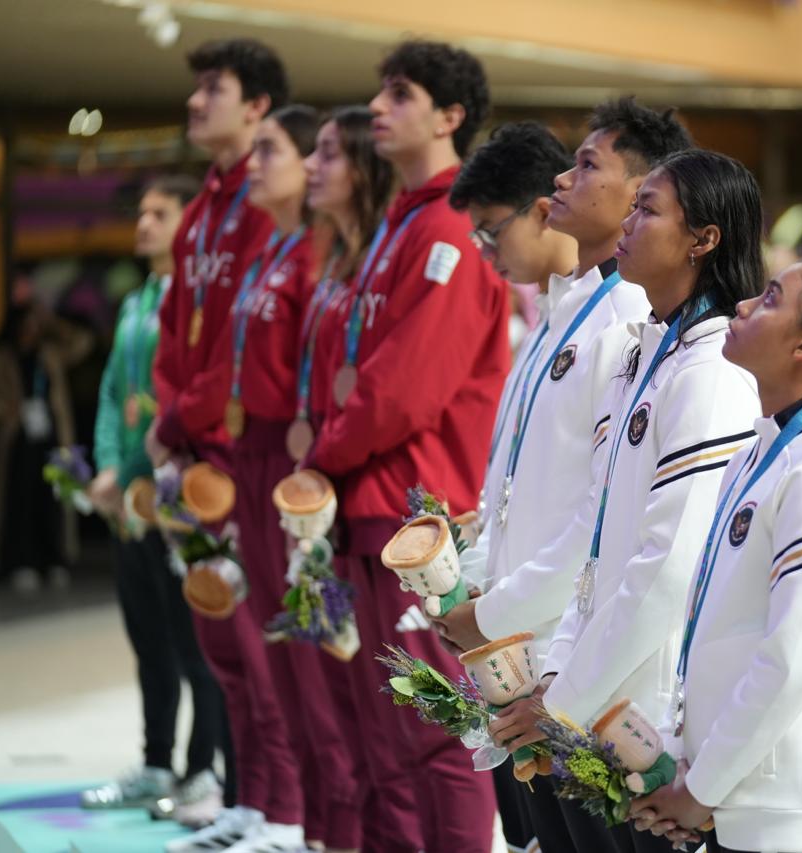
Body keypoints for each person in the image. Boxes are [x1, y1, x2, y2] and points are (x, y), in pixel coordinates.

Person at [489, 149, 763, 853]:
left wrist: (566, 695)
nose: (629, 224)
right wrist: (560, 677)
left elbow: (665, 570)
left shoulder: (711, 375)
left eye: (649, 210)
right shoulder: (643, 355)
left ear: (703, 240)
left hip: (643, 712)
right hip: (590, 690)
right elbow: (597, 539)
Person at [431, 101, 689, 851]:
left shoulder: (624, 321)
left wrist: (501, 610)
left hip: (577, 658)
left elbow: (601, 521)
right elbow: (508, 491)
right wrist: (475, 587)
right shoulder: (558, 315)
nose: (561, 181)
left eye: (586, 165)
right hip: (525, 646)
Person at [301, 40, 506, 852]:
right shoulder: (400, 225)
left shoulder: (449, 226)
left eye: (400, 94)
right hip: (367, 503)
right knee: (383, 731)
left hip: (414, 517)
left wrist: (321, 454)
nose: (378, 108)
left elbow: (403, 388)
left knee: (435, 729)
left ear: (450, 117)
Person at [630, 256, 802, 853]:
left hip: (795, 814)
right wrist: (690, 761)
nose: (746, 304)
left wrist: (702, 787)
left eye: (772, 298)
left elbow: (795, 656)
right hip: (744, 797)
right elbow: (726, 625)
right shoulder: (760, 454)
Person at [149, 38, 305, 853]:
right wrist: (166, 418)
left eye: (213, 88)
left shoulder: (263, 202)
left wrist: (180, 418)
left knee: (260, 644)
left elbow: (242, 356)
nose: (194, 101)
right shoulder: (207, 203)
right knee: (221, 644)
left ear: (257, 107)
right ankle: (252, 801)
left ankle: (281, 809)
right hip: (194, 452)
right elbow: (179, 333)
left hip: (241, 450)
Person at [218, 103, 364, 853]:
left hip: (297, 458)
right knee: (277, 644)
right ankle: (301, 819)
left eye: (271, 148)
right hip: (257, 455)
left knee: (316, 649)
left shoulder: (320, 256)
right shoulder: (272, 252)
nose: (258, 161)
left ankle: (333, 822)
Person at [79, 175, 229, 823]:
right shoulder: (136, 300)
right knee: (149, 638)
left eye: (158, 213)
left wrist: (137, 469)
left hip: (175, 499)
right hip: (131, 502)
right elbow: (115, 391)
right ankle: (155, 760)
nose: (143, 224)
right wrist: (110, 466)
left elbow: (180, 401)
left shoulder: (196, 303)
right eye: (140, 213)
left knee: (196, 643)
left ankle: (203, 768)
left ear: (189, 224)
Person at [300, 105, 394, 853]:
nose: (310, 165)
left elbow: (389, 392)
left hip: (365, 490)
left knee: (393, 718)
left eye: (328, 154)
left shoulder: (383, 256)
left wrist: (321, 455)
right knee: (334, 691)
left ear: (364, 166)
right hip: (324, 484)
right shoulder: (336, 256)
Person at [0, 284, 91, 592]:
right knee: (18, 503)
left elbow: (82, 343)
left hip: (50, 438)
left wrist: (50, 320)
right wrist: (5, 412)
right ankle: (18, 561)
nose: (30, 331)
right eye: (25, 325)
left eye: (34, 325)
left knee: (52, 500)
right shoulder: (0, 358)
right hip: (15, 443)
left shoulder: (48, 354)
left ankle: (53, 558)